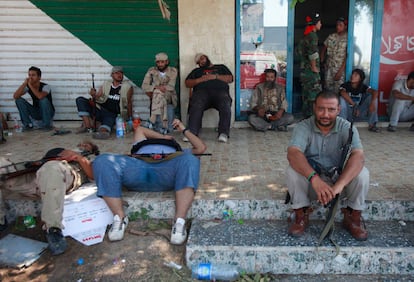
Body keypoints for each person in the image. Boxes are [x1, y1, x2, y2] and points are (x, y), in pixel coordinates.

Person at [93, 119, 206, 245]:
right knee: (103, 160)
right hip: (137, 168)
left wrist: (183, 129)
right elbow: (140, 129)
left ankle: (179, 222)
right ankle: (119, 218)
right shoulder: (141, 143)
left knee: (191, 160)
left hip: (165, 171)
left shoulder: (178, 151)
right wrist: (163, 137)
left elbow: (200, 148)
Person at [286, 91, 369, 241]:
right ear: (314, 108)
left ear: (338, 110)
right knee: (292, 170)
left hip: (339, 186)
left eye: (331, 110)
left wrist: (340, 185)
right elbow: (293, 153)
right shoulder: (303, 126)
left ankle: (353, 216)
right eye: (321, 109)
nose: (325, 114)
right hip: (312, 186)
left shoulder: (347, 128)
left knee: (363, 173)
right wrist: (314, 179)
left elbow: (359, 157)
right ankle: (301, 214)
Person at [0, 142, 98, 255]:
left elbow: (92, 175)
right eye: (81, 144)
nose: (82, 145)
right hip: (37, 177)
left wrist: (78, 156)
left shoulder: (88, 158)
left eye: (86, 145)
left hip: (59, 176)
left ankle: (53, 229)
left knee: (52, 167)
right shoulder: (58, 152)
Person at [185, 53, 233, 143]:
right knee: (196, 102)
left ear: (207, 57)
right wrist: (200, 80)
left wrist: (215, 76)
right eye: (199, 61)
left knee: (225, 102)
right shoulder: (197, 71)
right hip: (202, 94)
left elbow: (230, 78)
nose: (201, 61)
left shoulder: (221, 67)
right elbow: (187, 83)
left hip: (220, 93)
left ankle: (223, 133)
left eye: (202, 58)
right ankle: (192, 132)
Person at [75, 66, 133, 139]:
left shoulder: (127, 87)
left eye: (121, 73)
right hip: (100, 109)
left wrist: (130, 118)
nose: (119, 75)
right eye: (116, 73)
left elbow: (129, 103)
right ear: (112, 75)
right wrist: (93, 94)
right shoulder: (106, 84)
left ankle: (101, 131)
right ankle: (88, 126)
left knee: (105, 128)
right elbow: (98, 96)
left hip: (113, 114)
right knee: (80, 100)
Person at [142, 52, 178, 133]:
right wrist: (156, 87)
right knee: (157, 92)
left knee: (157, 92)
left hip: (169, 96)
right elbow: (144, 86)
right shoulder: (151, 71)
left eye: (162, 62)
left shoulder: (173, 71)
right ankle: (163, 127)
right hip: (157, 97)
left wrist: (156, 89)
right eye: (158, 62)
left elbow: (171, 87)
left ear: (167, 62)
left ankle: (152, 120)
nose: (160, 64)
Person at [13, 66, 55, 131]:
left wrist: (30, 85)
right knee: (19, 100)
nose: (30, 77)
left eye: (33, 75)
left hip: (48, 112)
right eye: (29, 75)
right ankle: (27, 125)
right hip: (36, 112)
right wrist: (24, 84)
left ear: (39, 77)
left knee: (43, 100)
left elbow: (40, 96)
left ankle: (47, 126)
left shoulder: (46, 86)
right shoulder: (28, 86)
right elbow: (15, 96)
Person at [298, 13, 322, 118]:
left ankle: (306, 118)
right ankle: (312, 119)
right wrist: (314, 67)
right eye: (320, 22)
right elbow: (313, 53)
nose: (321, 24)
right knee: (314, 96)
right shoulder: (313, 35)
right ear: (316, 23)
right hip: (311, 72)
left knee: (306, 96)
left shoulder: (305, 36)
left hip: (304, 72)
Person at [320, 17, 348, 92]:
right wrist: (322, 62)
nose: (338, 27)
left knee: (339, 91)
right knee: (327, 90)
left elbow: (347, 56)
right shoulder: (331, 36)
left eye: (340, 25)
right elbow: (323, 49)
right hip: (329, 68)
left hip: (339, 69)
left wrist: (340, 71)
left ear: (345, 26)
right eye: (337, 25)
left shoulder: (348, 38)